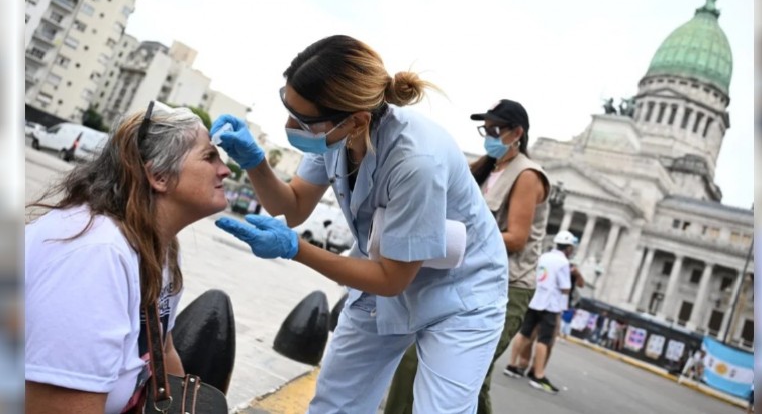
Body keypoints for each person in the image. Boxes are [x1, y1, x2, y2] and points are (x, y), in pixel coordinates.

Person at [211, 34, 509, 413]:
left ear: (357, 120)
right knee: (335, 404)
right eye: (288, 107)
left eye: (302, 120)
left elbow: (391, 279)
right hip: (382, 271)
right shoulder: (335, 136)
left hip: (460, 292)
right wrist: (255, 163)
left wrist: (296, 249)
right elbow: (295, 206)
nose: (290, 124)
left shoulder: (417, 160)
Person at [25, 102, 235, 413]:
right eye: (209, 156)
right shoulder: (95, 257)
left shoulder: (157, 247)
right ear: (160, 176)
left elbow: (162, 350)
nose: (226, 170)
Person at [384, 99, 550, 414]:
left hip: (507, 286)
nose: (488, 135)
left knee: (471, 378)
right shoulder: (485, 168)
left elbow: (516, 238)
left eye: (495, 129)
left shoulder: (527, 175)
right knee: (414, 360)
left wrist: (453, 238)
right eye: (485, 129)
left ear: (517, 133)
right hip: (463, 277)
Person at [505, 230, 577, 394]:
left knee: (524, 333)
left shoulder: (544, 256)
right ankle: (538, 375)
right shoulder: (563, 262)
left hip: (535, 299)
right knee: (544, 340)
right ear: (569, 248)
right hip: (550, 305)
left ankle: (512, 365)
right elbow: (566, 288)